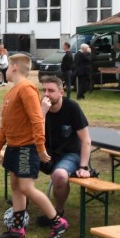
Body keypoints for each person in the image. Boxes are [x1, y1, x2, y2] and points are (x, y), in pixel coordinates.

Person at [0, 54, 69, 238]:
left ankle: (58, 222)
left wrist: (41, 148)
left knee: (26, 187)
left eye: (7, 66)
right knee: (16, 186)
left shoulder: (27, 89)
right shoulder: (11, 93)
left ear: (14, 67)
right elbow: (6, 123)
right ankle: (17, 228)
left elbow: (37, 120)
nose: (5, 69)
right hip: (13, 147)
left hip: (26, 148)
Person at [37, 75, 91, 227]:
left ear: (61, 92)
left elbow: (86, 140)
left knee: (60, 175)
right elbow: (33, 134)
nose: (46, 94)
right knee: (20, 158)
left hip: (70, 154)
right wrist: (42, 113)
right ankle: (21, 205)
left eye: (51, 90)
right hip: (47, 151)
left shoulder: (72, 108)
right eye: (44, 90)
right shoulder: (40, 107)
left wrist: (83, 167)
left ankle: (57, 212)